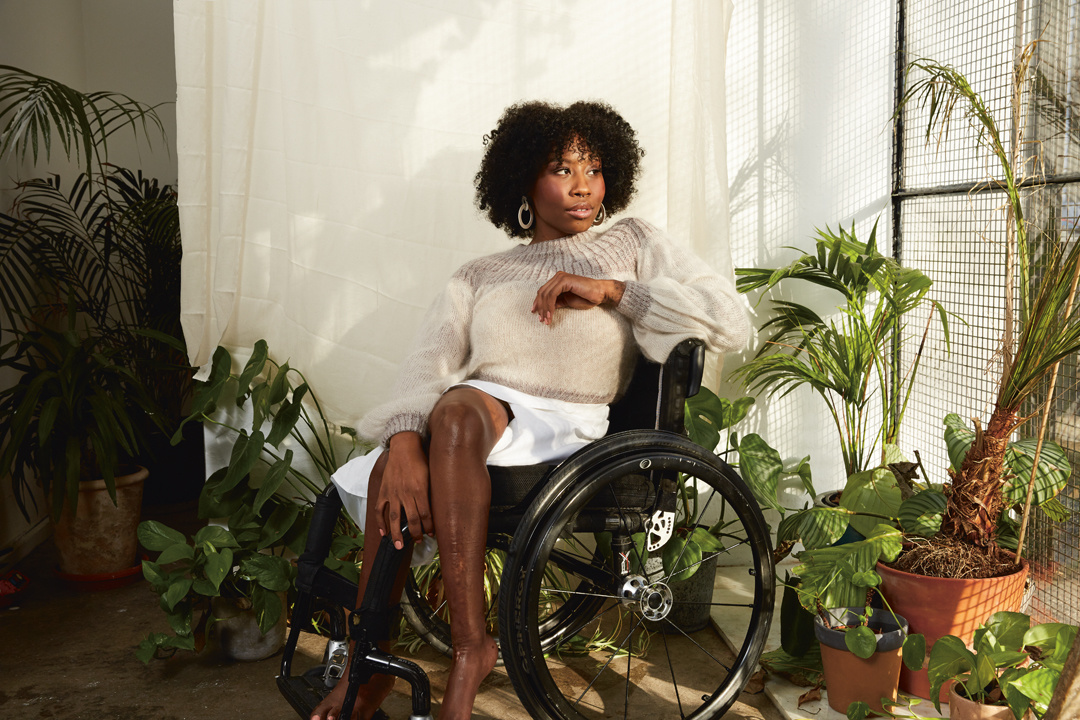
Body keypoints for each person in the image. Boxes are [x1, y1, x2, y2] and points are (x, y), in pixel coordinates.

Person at [310, 100, 749, 720]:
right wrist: (403, 441)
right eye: (561, 169)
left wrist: (613, 291)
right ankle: (371, 661)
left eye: (593, 169)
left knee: (450, 419)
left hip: (568, 425)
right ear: (524, 180)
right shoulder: (480, 274)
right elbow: (427, 362)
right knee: (401, 457)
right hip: (479, 417)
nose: (582, 186)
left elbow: (729, 318)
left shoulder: (630, 242)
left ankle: (468, 651)